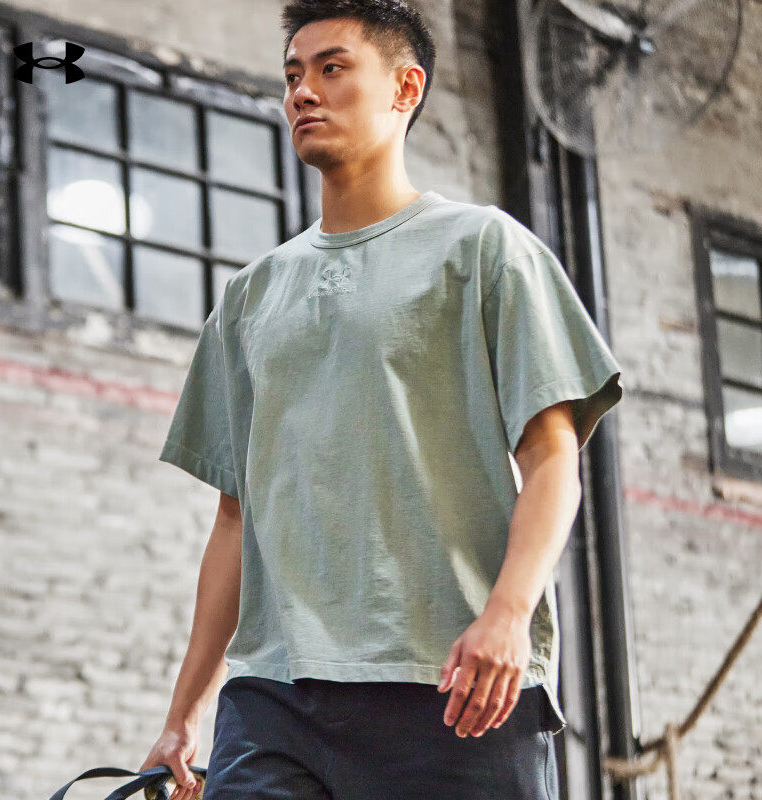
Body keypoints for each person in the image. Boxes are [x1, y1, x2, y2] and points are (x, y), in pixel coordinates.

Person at [140, 0, 624, 798]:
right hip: (275, 696)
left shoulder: (484, 249)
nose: (303, 91)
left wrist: (508, 613)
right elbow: (234, 518)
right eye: (293, 75)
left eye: (332, 68)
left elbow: (552, 460)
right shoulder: (251, 296)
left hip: (453, 686)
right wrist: (183, 714)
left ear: (405, 89)